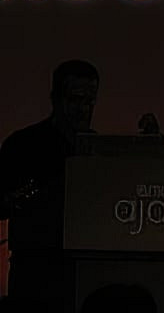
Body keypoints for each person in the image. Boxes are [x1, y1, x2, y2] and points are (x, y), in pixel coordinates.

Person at [0, 60, 99, 311]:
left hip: (83, 270)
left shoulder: (98, 150)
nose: (84, 109)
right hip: (35, 272)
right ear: (56, 99)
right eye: (76, 99)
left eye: (90, 101)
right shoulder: (23, 145)